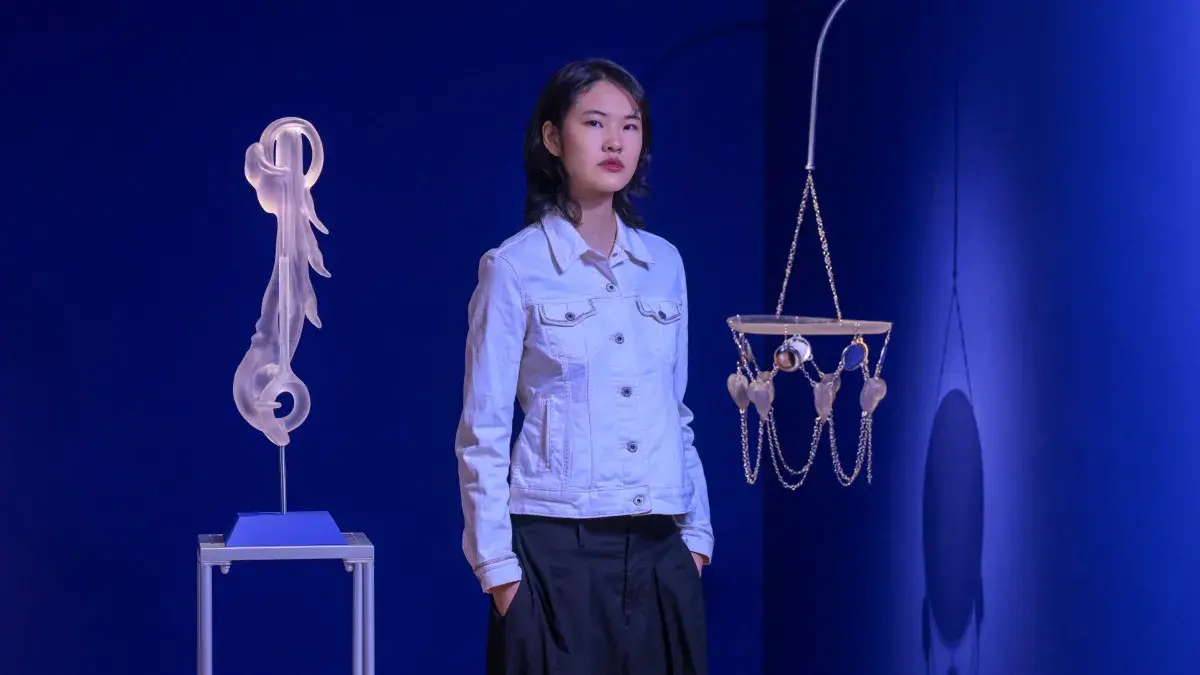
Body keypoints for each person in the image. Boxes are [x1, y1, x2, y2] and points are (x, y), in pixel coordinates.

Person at [454, 57, 713, 675]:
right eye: (595, 123)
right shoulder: (514, 268)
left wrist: (696, 539)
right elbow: (482, 430)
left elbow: (673, 411)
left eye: (630, 125)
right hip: (554, 551)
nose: (615, 140)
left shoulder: (665, 264)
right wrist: (499, 573)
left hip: (660, 548)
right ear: (552, 137)